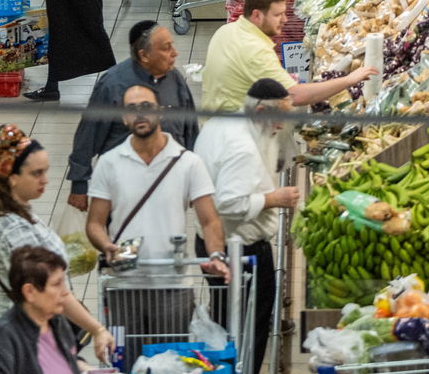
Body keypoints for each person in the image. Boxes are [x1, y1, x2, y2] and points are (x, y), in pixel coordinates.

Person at [86, 84, 230, 370]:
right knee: (125, 363)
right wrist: (106, 246)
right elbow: (94, 223)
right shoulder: (109, 163)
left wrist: (216, 256)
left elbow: (209, 219)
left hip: (172, 287)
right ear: (124, 118)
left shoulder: (188, 163)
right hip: (122, 285)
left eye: (147, 108)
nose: (140, 115)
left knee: (171, 364)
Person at [0, 123, 116, 360]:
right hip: (26, 341)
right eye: (37, 173)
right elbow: (50, 290)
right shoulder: (12, 229)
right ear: (13, 178)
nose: (45, 180)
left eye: (45, 171)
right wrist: (96, 329)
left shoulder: (17, 213)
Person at [195, 78, 300, 374]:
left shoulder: (224, 122)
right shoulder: (242, 146)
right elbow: (228, 202)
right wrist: (273, 198)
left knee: (227, 323)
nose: (281, 125)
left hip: (210, 243)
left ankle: (227, 367)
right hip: (239, 252)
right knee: (248, 327)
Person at [66, 20, 198, 212]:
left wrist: (194, 179)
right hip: (124, 186)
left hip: (169, 183)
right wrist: (79, 183)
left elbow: (190, 129)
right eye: (166, 48)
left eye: (173, 46)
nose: (174, 53)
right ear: (144, 55)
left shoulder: (174, 79)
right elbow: (88, 134)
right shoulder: (113, 84)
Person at [202, 0, 376, 111]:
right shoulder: (255, 49)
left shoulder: (225, 31)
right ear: (256, 15)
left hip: (216, 125)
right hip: (239, 138)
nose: (285, 20)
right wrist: (349, 80)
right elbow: (295, 95)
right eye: (278, 15)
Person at [0, 246, 92, 374]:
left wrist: (83, 367)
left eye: (63, 282)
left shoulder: (57, 322)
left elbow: (62, 360)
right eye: (56, 284)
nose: (65, 292)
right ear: (30, 292)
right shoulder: (2, 338)